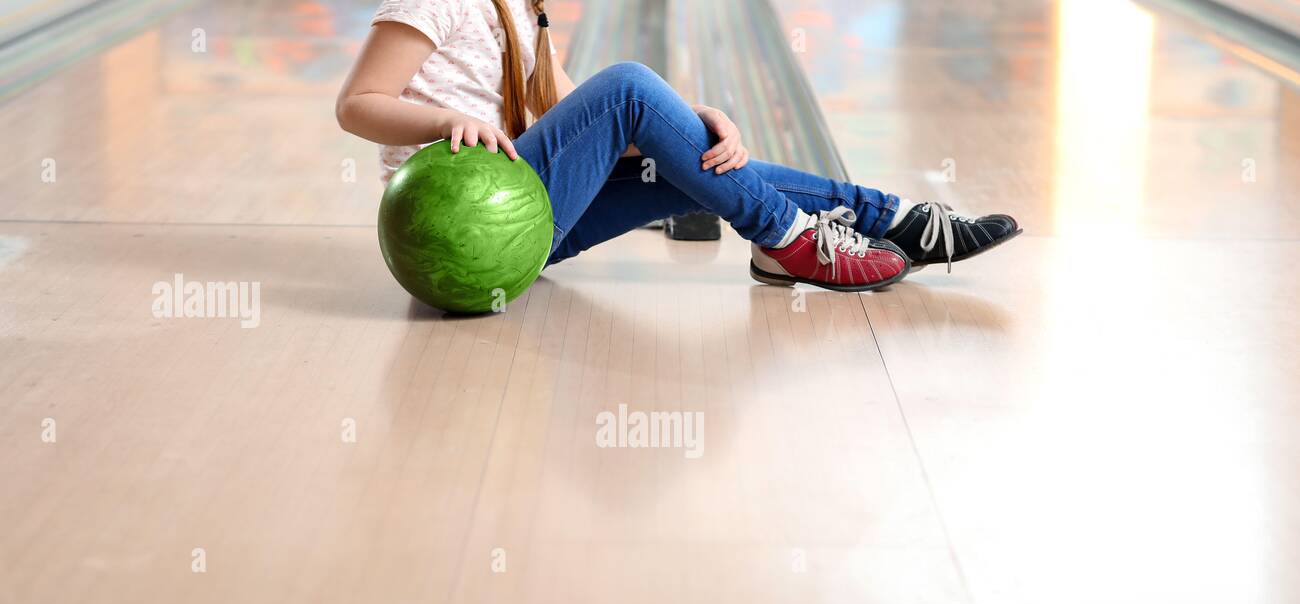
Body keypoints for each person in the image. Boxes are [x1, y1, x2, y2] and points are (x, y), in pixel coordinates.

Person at [336, 0, 1020, 293]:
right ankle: (788, 237)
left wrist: (686, 126)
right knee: (631, 83)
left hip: (516, 230)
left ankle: (889, 219)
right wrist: (444, 122)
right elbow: (356, 105)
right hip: (458, 234)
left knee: (683, 161)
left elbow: (581, 117)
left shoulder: (522, 7)